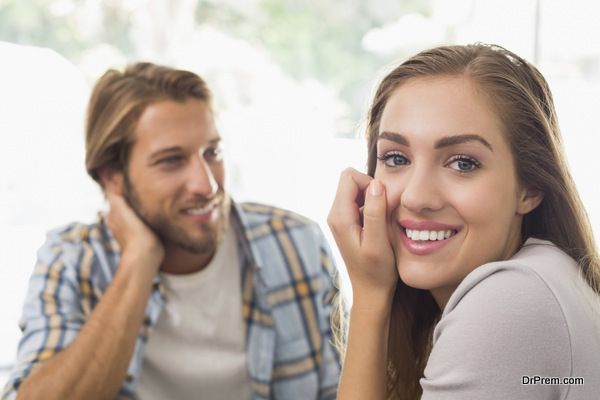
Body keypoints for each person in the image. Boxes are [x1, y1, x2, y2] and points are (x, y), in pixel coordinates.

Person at [2, 62, 340, 400]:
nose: (206, 184)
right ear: (113, 177)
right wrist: (138, 261)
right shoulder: (71, 262)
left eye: (213, 152)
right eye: (171, 160)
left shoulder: (297, 243)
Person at [328, 43, 600, 399]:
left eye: (463, 163)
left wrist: (369, 295)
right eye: (396, 158)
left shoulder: (509, 303)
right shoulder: (545, 277)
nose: (415, 197)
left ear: (529, 189)